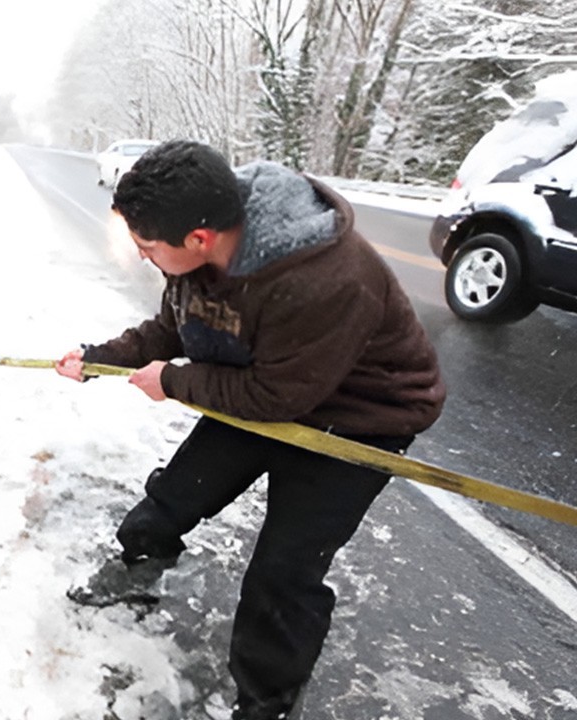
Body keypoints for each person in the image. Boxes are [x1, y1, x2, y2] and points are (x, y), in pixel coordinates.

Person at [55, 140, 445, 720]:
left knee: (284, 572)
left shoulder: (326, 279)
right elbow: (175, 330)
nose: (141, 256)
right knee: (179, 491)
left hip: (359, 420)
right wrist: (99, 358)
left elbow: (273, 397)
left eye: (146, 246)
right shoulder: (197, 252)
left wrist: (176, 383)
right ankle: (138, 569)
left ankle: (268, 701)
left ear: (199, 239)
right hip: (264, 383)